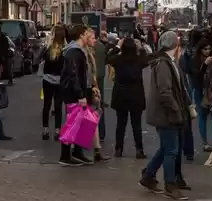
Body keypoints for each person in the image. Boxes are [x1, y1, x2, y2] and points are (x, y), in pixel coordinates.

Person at [138, 30, 191, 200]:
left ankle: (148, 176)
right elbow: (165, 92)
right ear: (174, 46)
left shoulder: (169, 62)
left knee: (166, 148)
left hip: (169, 113)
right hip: (166, 114)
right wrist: (176, 110)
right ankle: (170, 185)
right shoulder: (163, 64)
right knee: (171, 150)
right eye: (178, 42)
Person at [59, 24, 99, 166]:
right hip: (73, 93)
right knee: (73, 123)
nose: (92, 38)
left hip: (79, 91)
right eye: (89, 34)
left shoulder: (79, 51)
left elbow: (82, 74)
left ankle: (78, 152)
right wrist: (80, 94)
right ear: (82, 35)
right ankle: (65, 155)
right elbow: (73, 74)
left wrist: (89, 88)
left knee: (84, 122)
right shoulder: (74, 52)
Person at [107, 36, 149, 158]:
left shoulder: (118, 59)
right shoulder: (138, 60)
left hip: (121, 94)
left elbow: (108, 58)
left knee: (120, 123)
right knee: (136, 124)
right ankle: (139, 150)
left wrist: (117, 46)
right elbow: (146, 59)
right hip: (136, 94)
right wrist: (140, 48)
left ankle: (119, 149)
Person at [190, 39, 212, 152]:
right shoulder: (195, 61)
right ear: (200, 50)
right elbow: (197, 79)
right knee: (202, 118)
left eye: (209, 49)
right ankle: (205, 143)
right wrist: (205, 65)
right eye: (205, 49)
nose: (207, 51)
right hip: (201, 92)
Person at [40, 26, 67, 141]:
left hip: (47, 79)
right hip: (60, 80)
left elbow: (41, 58)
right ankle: (57, 131)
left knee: (46, 105)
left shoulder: (48, 47)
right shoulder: (65, 49)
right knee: (58, 106)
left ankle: (45, 130)